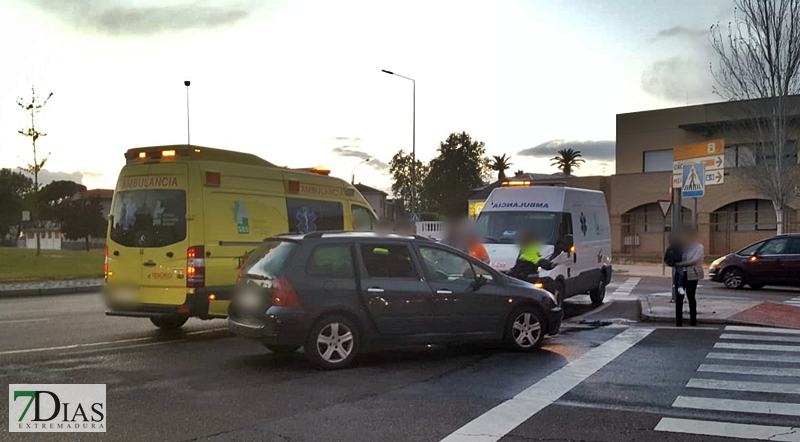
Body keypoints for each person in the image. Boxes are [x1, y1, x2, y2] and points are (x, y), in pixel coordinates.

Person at [675, 225, 704, 327]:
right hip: (680, 275)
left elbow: (695, 260)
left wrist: (680, 264)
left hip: (691, 274)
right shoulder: (682, 246)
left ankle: (693, 321)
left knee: (691, 297)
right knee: (679, 298)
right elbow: (674, 256)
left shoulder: (698, 246)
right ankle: (678, 321)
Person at [663, 232, 686, 303]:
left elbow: (684, 255)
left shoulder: (680, 246)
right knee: (679, 274)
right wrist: (672, 263)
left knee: (680, 274)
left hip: (681, 264)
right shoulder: (670, 249)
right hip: (676, 264)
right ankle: (679, 287)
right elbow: (666, 258)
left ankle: (679, 287)